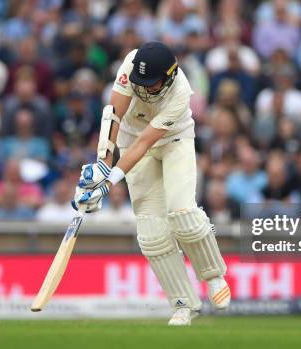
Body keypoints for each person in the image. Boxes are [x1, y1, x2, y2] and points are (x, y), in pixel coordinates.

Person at [72, 42, 229, 326]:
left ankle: (213, 275)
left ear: (168, 78)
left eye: (151, 84)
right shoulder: (131, 64)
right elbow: (113, 115)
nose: (143, 89)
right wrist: (100, 167)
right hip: (129, 139)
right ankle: (183, 305)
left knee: (182, 213)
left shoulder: (180, 92)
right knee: (152, 233)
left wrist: (108, 184)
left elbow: (146, 142)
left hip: (173, 141)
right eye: (139, 83)